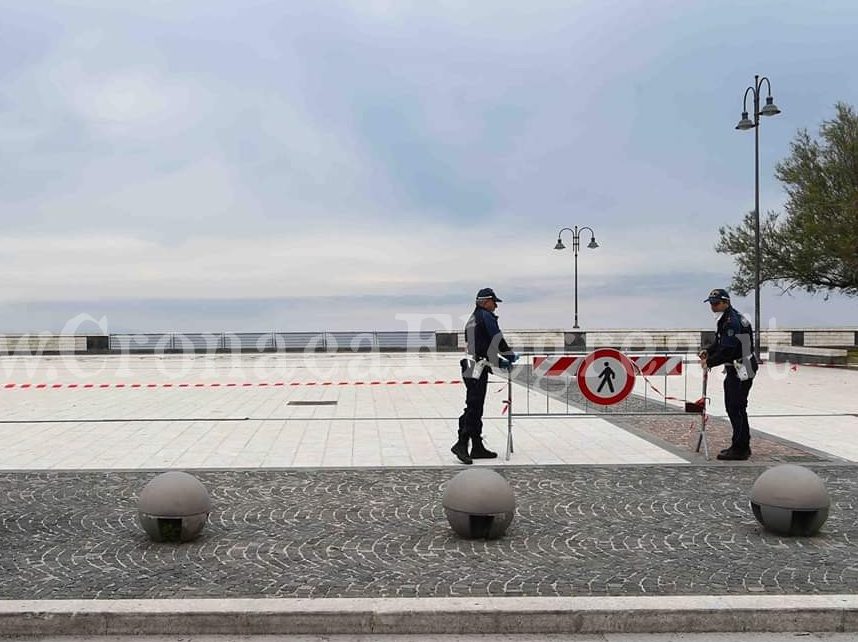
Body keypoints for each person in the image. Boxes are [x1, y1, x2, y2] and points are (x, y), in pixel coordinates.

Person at [452, 287, 517, 465]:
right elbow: (496, 339)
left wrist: (497, 361)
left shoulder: (472, 319)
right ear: (485, 301)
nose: (496, 306)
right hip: (477, 366)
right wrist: (509, 355)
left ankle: (477, 446)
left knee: (474, 404)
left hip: (471, 364)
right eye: (494, 302)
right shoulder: (485, 316)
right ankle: (462, 443)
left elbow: (481, 345)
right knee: (474, 406)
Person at [698, 288, 758, 461]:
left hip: (742, 366)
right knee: (737, 406)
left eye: (716, 303)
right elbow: (720, 343)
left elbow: (728, 349)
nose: (713, 306)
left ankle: (740, 448)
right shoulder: (728, 318)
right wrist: (708, 351)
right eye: (711, 303)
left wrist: (709, 362)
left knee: (735, 407)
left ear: (726, 302)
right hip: (741, 365)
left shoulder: (731, 322)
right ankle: (741, 444)